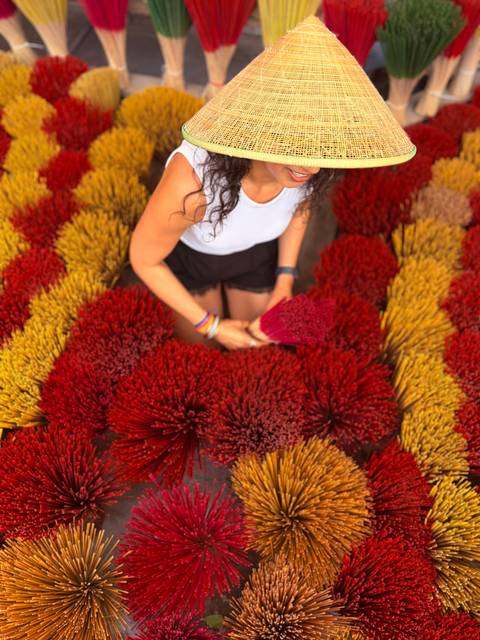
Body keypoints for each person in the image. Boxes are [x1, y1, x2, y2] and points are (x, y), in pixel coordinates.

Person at [129, 16, 415, 351]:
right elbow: (143, 259)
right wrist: (211, 325)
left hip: (256, 255)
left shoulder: (309, 169)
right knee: (207, 349)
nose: (310, 165)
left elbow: (298, 212)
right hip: (191, 262)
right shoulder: (192, 180)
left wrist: (284, 278)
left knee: (257, 347)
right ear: (257, 132)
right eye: (293, 145)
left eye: (319, 147)